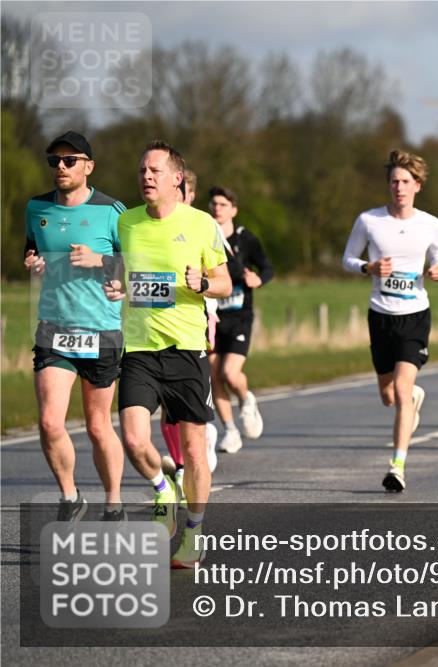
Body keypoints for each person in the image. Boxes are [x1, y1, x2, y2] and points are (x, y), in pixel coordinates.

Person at [104, 140, 231, 568]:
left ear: (177, 178)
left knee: (195, 451)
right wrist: (116, 285)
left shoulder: (201, 225)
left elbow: (225, 285)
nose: (146, 177)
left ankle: (193, 531)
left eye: (155, 170)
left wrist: (201, 284)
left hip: (186, 350)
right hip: (139, 348)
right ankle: (163, 488)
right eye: (142, 170)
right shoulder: (126, 223)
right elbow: (119, 271)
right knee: (135, 440)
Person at [24, 131, 127, 522]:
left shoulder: (111, 210)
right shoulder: (36, 208)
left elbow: (130, 267)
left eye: (70, 160)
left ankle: (113, 501)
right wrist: (32, 263)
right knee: (50, 421)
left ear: (89, 166)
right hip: (54, 327)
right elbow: (31, 249)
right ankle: (70, 496)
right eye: (55, 161)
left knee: (98, 426)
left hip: (100, 329)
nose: (61, 168)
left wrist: (102, 260)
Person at [342, 150, 438, 492]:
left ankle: (397, 465)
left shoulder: (429, 223)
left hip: (414, 316)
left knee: (401, 389)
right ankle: (413, 397)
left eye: (405, 182)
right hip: (381, 315)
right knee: (389, 396)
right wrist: (367, 268)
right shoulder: (369, 221)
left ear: (417, 185)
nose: (398, 187)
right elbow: (347, 258)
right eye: (393, 182)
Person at [160, 169, 219, 497]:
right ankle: (181, 465)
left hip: (199, 320)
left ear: (188, 194)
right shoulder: (150, 225)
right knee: (167, 406)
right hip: (155, 329)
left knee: (187, 398)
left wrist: (203, 283)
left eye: (182, 191)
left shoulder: (201, 224)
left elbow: (222, 273)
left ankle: (199, 436)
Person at [207, 185, 273, 454]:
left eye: (223, 204)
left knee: (229, 373)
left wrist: (259, 278)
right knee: (214, 376)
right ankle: (231, 431)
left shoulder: (246, 239)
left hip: (240, 316)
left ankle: (246, 400)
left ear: (233, 209)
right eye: (213, 204)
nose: (217, 209)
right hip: (213, 315)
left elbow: (268, 267)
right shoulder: (202, 235)